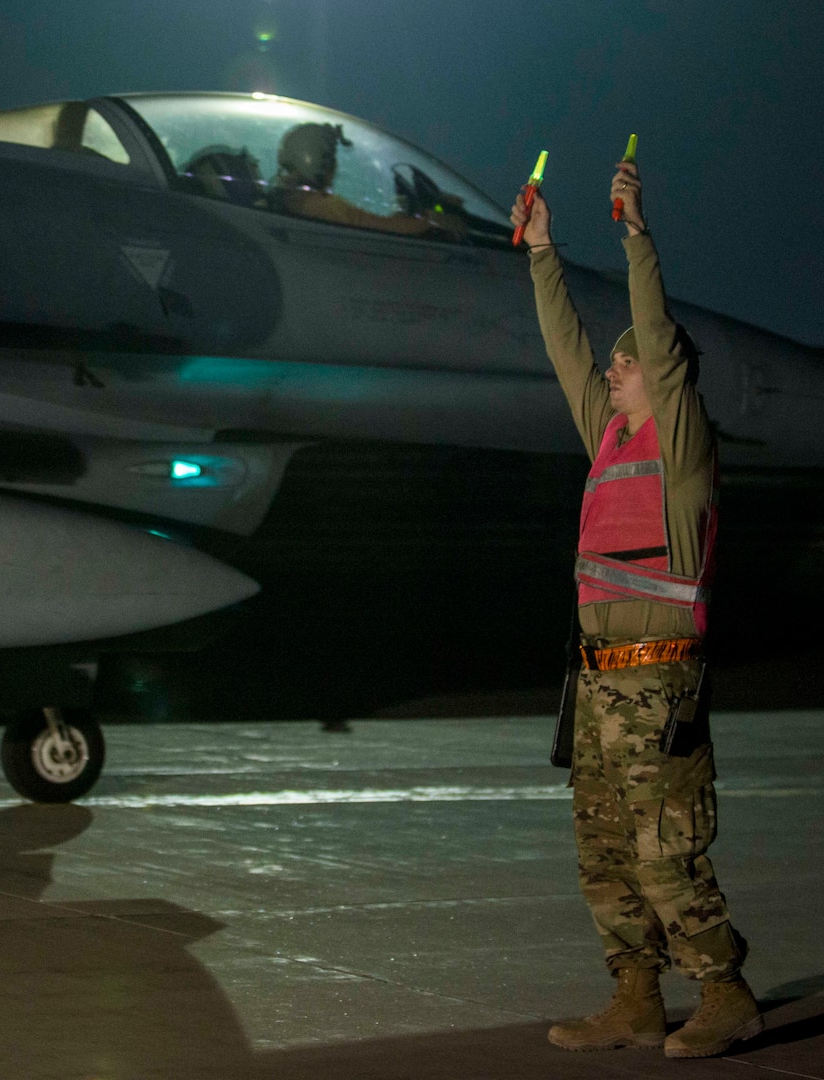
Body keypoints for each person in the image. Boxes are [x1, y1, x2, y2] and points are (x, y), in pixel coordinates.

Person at [511, 160, 763, 1059]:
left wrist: (632, 234)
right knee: (605, 853)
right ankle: (633, 997)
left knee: (666, 854)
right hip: (595, 682)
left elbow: (650, 334)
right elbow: (565, 348)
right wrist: (542, 252)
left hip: (658, 681)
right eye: (614, 362)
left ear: (661, 376)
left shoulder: (681, 442)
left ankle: (722, 992)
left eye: (628, 362)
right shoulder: (609, 435)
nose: (611, 369)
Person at [269, 123, 457, 238]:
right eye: (330, 158)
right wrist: (431, 220)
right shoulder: (319, 205)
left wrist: (401, 210)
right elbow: (386, 229)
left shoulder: (292, 198)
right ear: (318, 161)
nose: (334, 167)